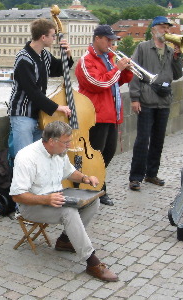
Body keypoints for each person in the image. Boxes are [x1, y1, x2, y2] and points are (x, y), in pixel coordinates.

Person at [10, 121, 118, 282]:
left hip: (56, 197)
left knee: (93, 201)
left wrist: (85, 178)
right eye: (66, 142)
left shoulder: (59, 151)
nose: (69, 146)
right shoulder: (27, 157)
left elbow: (69, 172)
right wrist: (45, 199)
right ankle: (92, 262)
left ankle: (65, 241)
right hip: (32, 205)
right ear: (52, 141)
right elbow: (17, 196)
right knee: (69, 211)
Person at [75, 25, 133, 206]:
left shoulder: (109, 58)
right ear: (97, 38)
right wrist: (117, 69)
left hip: (112, 114)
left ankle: (96, 184)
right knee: (96, 155)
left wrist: (126, 69)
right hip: (96, 115)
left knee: (109, 152)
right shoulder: (86, 60)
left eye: (112, 40)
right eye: (108, 40)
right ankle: (97, 188)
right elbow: (97, 83)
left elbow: (119, 81)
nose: (111, 43)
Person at [128, 16, 183, 191]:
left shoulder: (169, 50)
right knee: (143, 140)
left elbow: (177, 75)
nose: (166, 30)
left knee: (158, 140)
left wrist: (177, 57)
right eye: (163, 27)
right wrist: (135, 98)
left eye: (168, 28)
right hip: (147, 99)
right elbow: (134, 71)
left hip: (164, 100)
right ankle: (136, 177)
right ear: (153, 29)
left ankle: (151, 174)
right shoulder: (143, 47)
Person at [7, 18, 73, 161]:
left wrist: (67, 55)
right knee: (23, 159)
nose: (55, 38)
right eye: (53, 36)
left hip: (39, 116)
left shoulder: (44, 55)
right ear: (43, 37)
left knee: (39, 159)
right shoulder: (23, 58)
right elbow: (32, 92)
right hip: (22, 115)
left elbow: (60, 69)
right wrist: (57, 107)